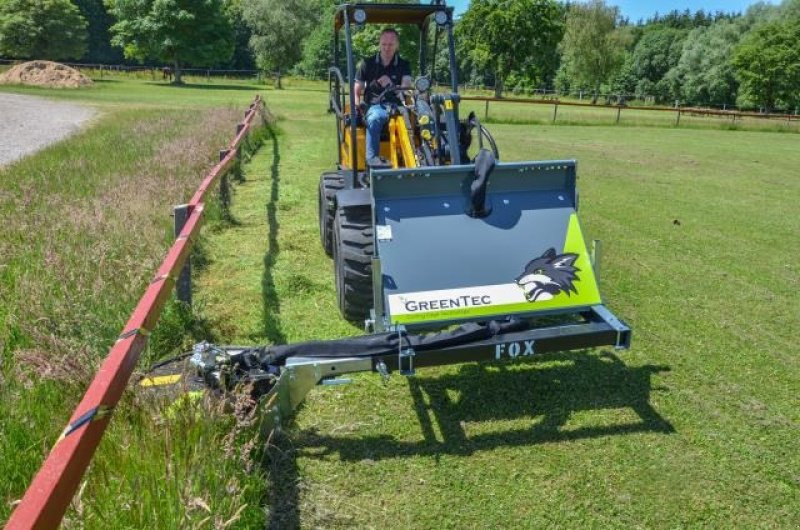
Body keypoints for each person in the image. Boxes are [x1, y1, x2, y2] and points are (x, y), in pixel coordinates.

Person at [354, 28, 413, 166]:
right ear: (379, 44)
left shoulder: (404, 65)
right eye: (384, 44)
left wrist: (391, 84)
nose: (387, 48)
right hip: (374, 106)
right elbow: (357, 88)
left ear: (397, 45)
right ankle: (371, 161)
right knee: (375, 118)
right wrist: (356, 106)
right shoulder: (367, 63)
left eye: (391, 44)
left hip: (397, 106)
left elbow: (405, 90)